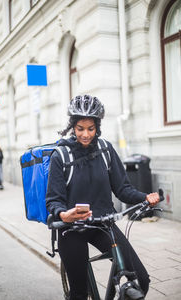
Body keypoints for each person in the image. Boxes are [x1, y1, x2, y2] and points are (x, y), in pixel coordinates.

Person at [46, 95, 159, 300]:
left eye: (91, 128)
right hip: (71, 230)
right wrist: (63, 214)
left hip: (103, 224)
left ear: (97, 127)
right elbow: (53, 200)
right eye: (80, 128)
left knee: (141, 280)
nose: (86, 134)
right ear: (73, 126)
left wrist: (145, 198)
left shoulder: (106, 150)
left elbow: (123, 189)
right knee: (80, 293)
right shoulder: (60, 156)